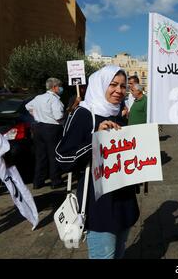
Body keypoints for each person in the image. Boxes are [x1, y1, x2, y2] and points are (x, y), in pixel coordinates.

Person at [55, 65, 139, 259]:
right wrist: (96, 139)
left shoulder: (118, 113)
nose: (119, 90)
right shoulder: (84, 114)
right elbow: (63, 158)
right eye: (113, 84)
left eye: (123, 86)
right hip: (99, 204)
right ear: (100, 85)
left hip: (123, 200)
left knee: (119, 253)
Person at [25, 78, 65, 189]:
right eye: (60, 86)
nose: (61, 88)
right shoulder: (54, 100)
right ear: (54, 87)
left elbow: (28, 106)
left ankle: (38, 182)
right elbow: (58, 116)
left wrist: (36, 115)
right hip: (52, 128)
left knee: (40, 156)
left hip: (38, 127)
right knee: (53, 155)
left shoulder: (38, 97)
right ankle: (55, 180)